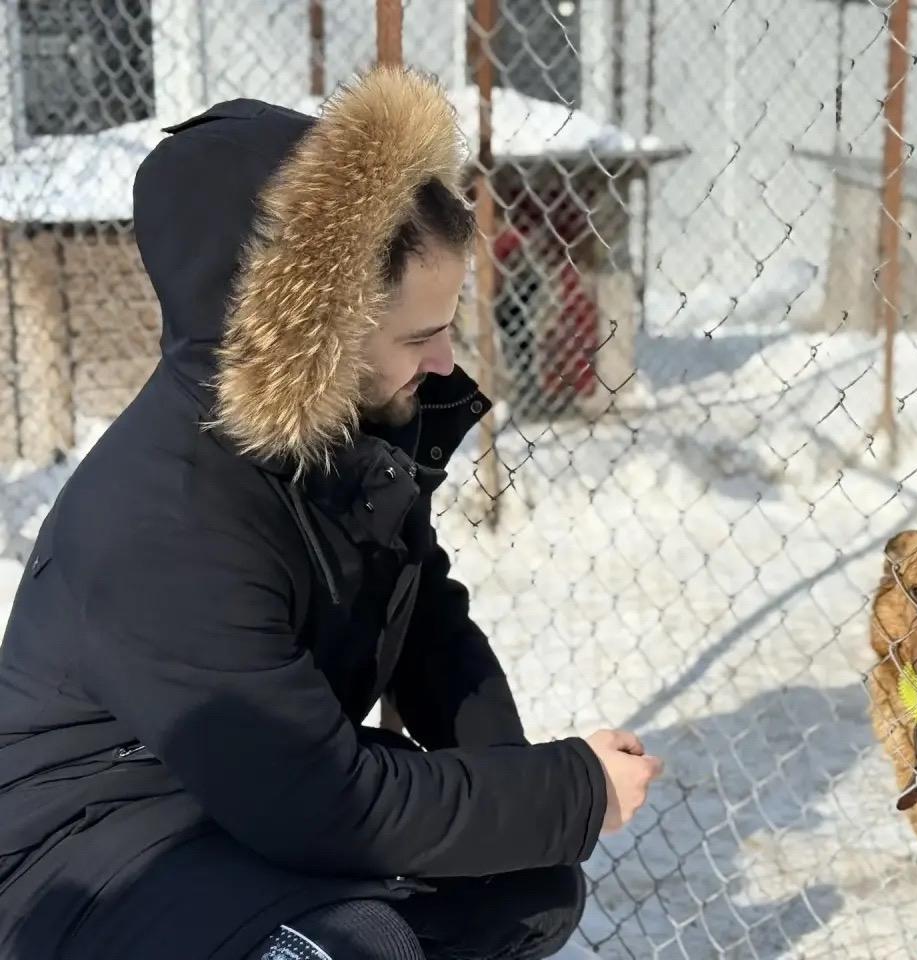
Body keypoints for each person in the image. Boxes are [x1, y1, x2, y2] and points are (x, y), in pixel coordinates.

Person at [0, 66, 663, 960]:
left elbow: (427, 626)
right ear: (311, 339)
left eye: (447, 327)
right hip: (84, 849)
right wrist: (569, 792)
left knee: (527, 885)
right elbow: (322, 802)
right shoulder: (164, 519)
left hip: (228, 805)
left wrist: (527, 784)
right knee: (348, 948)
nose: (443, 362)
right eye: (417, 337)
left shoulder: (344, 442)